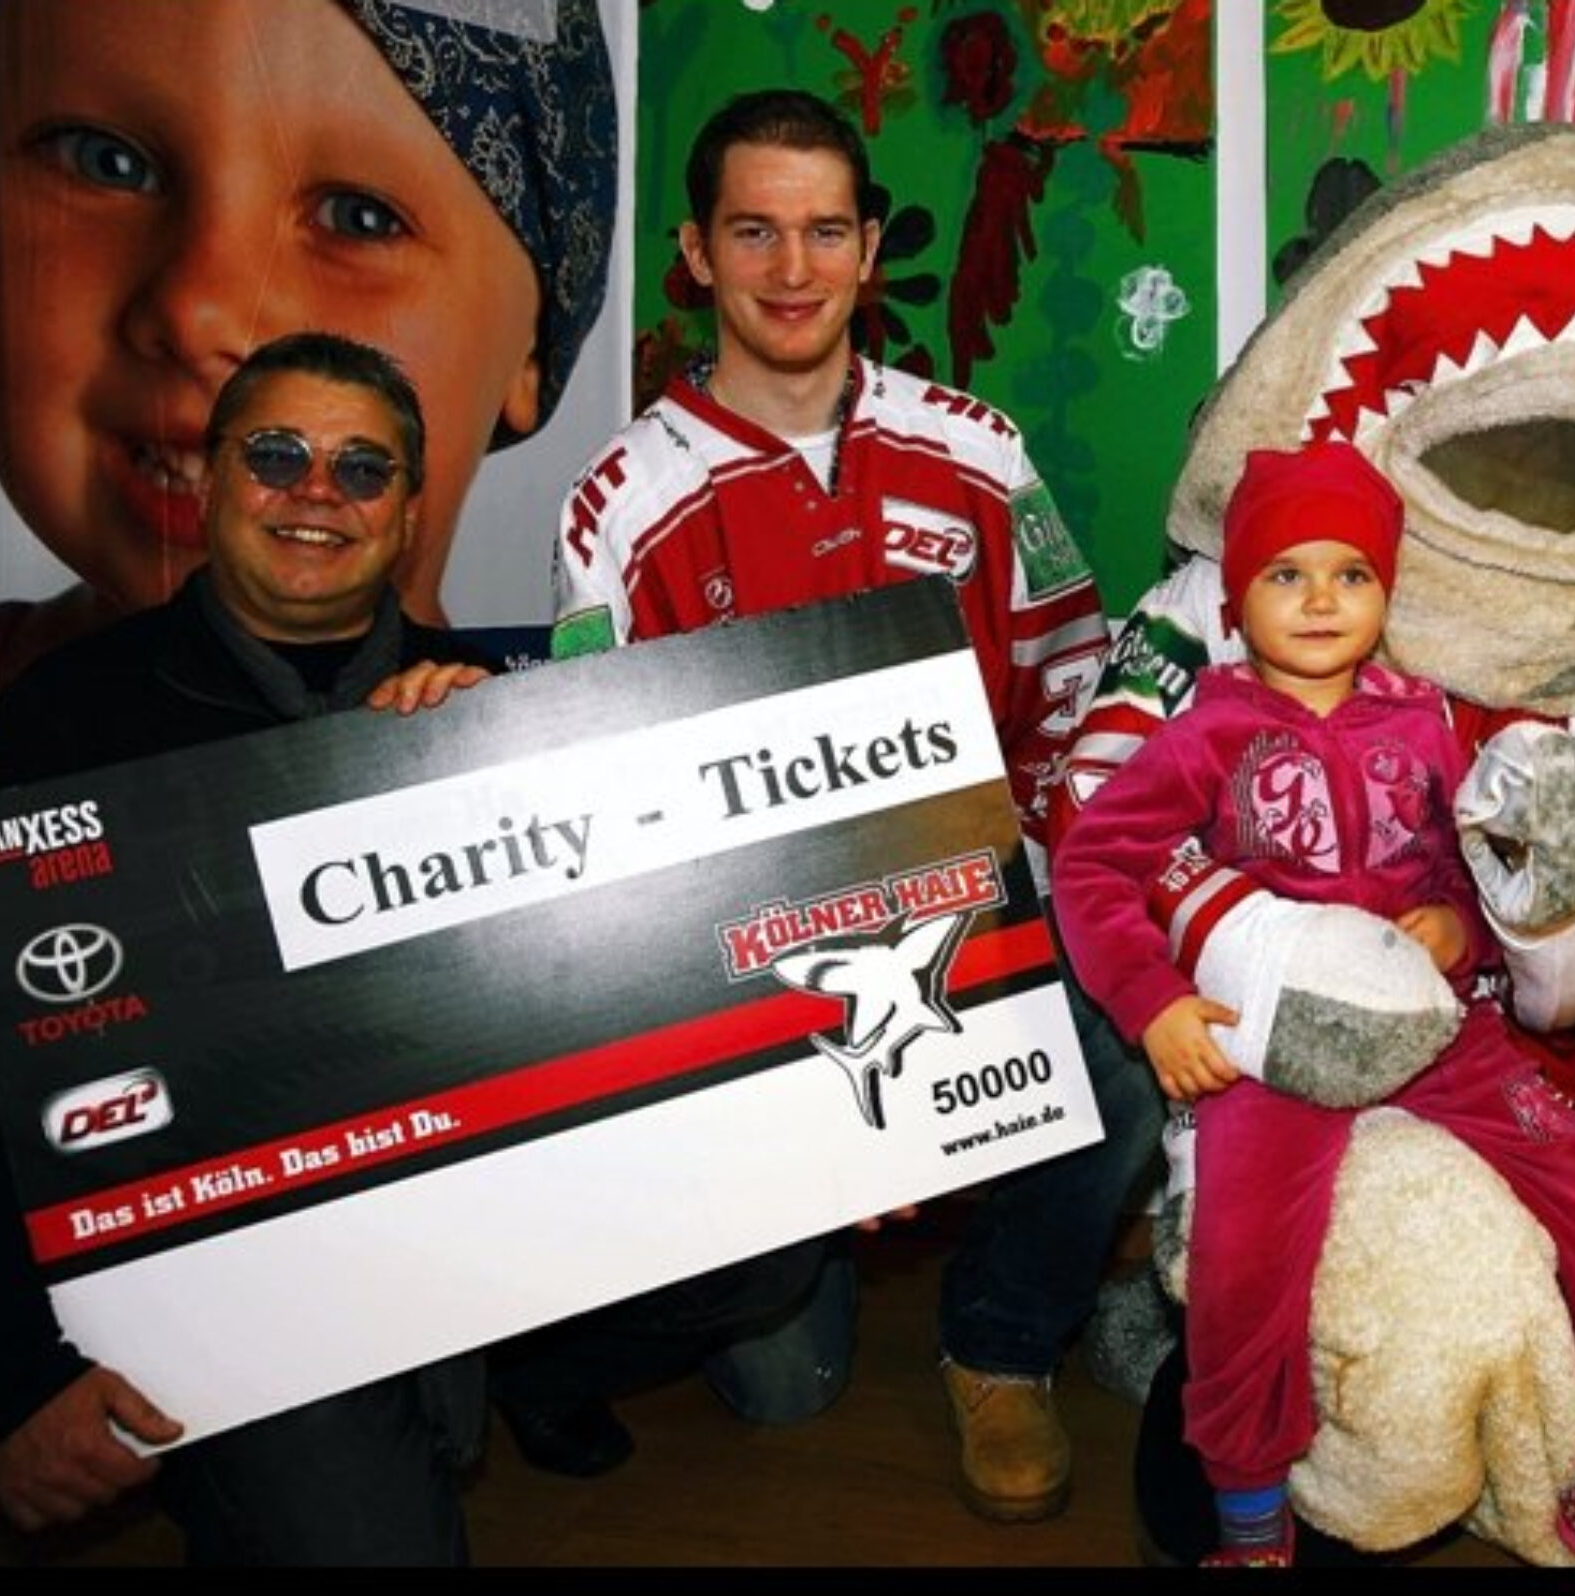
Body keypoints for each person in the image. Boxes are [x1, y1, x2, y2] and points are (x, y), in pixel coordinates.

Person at [541, 87, 1163, 1518]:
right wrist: (818, 1056)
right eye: (754, 232)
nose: (793, 268)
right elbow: (604, 808)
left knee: (1131, 1034)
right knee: (786, 1384)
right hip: (758, 969)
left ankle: (1000, 1342)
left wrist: (1040, 913)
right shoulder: (620, 501)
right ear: (695, 252)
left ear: (871, 249)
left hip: (977, 910)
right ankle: (807, 1223)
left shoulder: (981, 448)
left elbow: (1073, 683)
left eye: (826, 231)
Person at [0, 331, 502, 1563]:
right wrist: (4, 1377)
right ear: (212, 479)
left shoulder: (494, 696)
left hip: (491, 1216)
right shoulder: (63, 718)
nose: (317, 492)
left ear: (408, 511)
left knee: (763, 1285)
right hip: (236, 1268)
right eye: (275, 455)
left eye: (362, 468)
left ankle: (516, 1386)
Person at [1052, 442, 1575, 1568]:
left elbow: (1470, 872)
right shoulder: (1205, 731)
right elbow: (1096, 863)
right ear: (1236, 597)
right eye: (1285, 574)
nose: (1320, 600)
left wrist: (1458, 924)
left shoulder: (1423, 722)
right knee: (1243, 1260)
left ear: (1387, 593)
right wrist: (1154, 1005)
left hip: (1438, 1028)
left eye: (1350, 574)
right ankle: (1251, 1518)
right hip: (1275, 1046)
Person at [0, 0, 617, 687]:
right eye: (107, 162)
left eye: (360, 219)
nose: (199, 313)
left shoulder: (518, 734)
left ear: (532, 350)